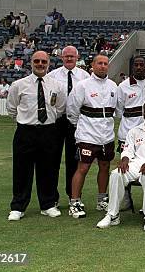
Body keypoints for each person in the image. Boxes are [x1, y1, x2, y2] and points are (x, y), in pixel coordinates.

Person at [96, 100, 145, 231]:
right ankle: (112, 214)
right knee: (116, 174)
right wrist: (125, 160)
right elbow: (127, 149)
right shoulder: (134, 131)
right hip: (136, 163)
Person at [6, 51, 67, 221]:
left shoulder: (56, 85)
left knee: (48, 169)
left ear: (49, 63)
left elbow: (60, 108)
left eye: (43, 61)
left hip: (48, 131)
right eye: (37, 61)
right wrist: (25, 122)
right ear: (31, 63)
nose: (40, 64)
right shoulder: (19, 85)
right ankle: (18, 206)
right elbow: (12, 108)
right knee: (21, 170)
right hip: (26, 132)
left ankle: (47, 204)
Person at [67, 54, 118, 219]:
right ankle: (74, 202)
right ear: (93, 65)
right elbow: (72, 110)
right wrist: (81, 128)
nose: (102, 66)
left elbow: (116, 110)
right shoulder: (82, 86)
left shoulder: (113, 86)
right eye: (99, 63)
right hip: (87, 135)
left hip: (107, 135)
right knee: (83, 168)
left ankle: (102, 199)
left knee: (105, 167)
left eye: (105, 64)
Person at [47, 46, 91, 201]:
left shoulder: (85, 76)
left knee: (74, 161)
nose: (69, 59)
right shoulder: (52, 75)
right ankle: (52, 197)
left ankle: (73, 195)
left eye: (72, 56)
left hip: (77, 122)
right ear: (61, 57)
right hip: (58, 121)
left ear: (77, 57)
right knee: (53, 159)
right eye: (66, 56)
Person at [115, 56, 145, 154]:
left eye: (141, 65)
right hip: (127, 132)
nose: (138, 67)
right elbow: (119, 110)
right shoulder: (123, 86)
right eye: (136, 65)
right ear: (132, 67)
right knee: (126, 162)